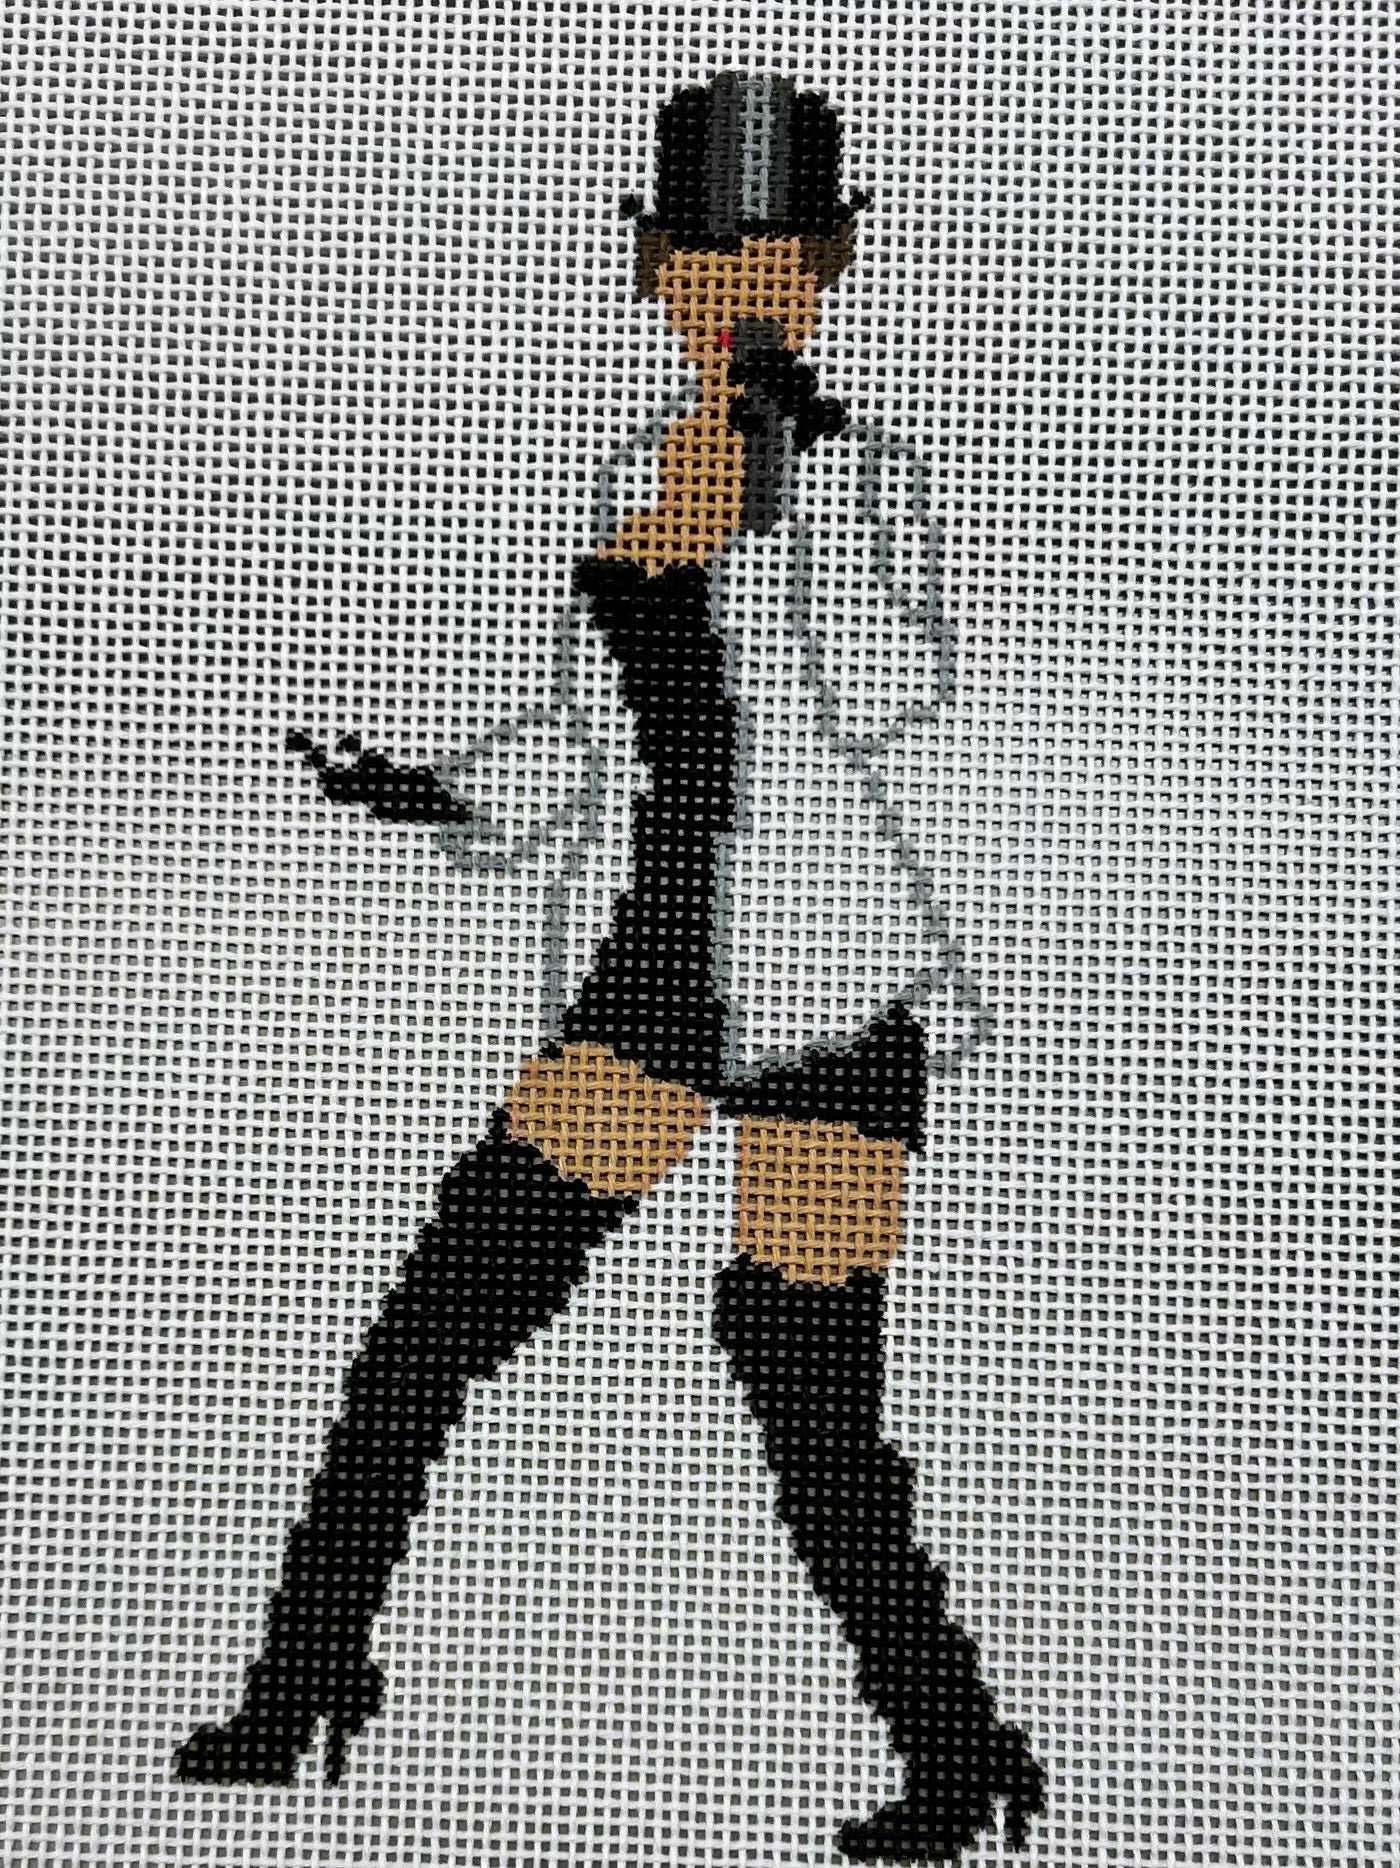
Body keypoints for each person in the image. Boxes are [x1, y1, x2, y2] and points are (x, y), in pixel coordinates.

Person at [174, 71, 1047, 1864]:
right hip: (652, 979)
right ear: (652, 268)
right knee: (434, 1325)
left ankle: (963, 1753)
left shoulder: (856, 471)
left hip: (827, 997)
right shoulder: (637, 465)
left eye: (776, 257)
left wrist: (772, 498)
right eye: (704, 257)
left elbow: (900, 691)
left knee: (802, 1385)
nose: (739, 289)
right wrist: (433, 790)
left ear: (829, 266)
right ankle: (306, 1679)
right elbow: (587, 744)